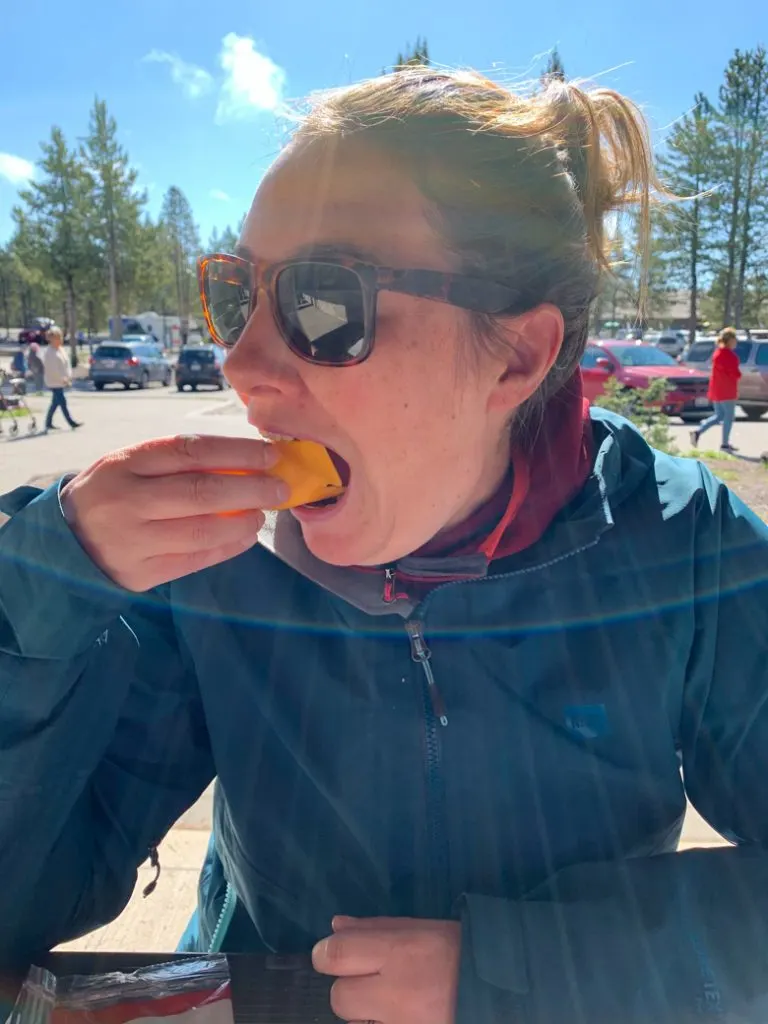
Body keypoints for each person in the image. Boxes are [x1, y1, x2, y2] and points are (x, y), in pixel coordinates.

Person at [1, 67, 767, 1023]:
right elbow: (26, 900)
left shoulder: (684, 542)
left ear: (518, 358)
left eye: (326, 302)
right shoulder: (210, 562)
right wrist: (36, 592)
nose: (241, 364)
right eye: (238, 294)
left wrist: (516, 971)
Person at [690, 326, 741, 452]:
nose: (736, 342)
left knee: (719, 416)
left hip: (716, 390)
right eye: (734, 339)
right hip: (727, 391)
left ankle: (697, 431)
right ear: (729, 341)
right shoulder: (730, 356)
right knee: (728, 417)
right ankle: (724, 444)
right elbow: (735, 374)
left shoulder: (717, 354)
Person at [42, 326, 82, 430]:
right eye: (57, 338)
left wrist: (69, 377)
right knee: (62, 402)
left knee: (55, 403)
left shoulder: (60, 350)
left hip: (63, 380)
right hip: (54, 382)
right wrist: (63, 379)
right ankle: (71, 422)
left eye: (60, 337)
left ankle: (48, 422)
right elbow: (53, 370)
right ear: (51, 339)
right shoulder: (49, 352)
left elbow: (66, 365)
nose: (60, 340)